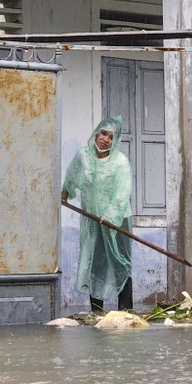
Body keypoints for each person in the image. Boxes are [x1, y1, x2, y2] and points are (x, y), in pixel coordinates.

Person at [61, 116, 134, 313]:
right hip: (92, 220)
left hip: (118, 221)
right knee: (95, 262)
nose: (105, 139)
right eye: (103, 133)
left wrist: (111, 217)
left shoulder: (120, 162)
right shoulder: (83, 156)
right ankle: (96, 311)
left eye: (111, 137)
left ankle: (126, 311)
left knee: (120, 262)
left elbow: (122, 192)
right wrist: (65, 192)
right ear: (96, 132)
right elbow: (72, 174)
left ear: (115, 141)